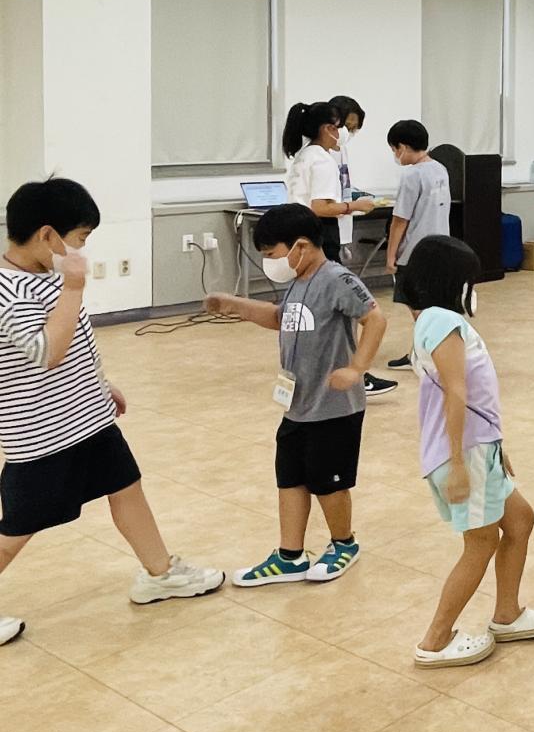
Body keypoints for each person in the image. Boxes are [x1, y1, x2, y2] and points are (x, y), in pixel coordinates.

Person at [1, 179, 223, 646]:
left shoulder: (46, 276)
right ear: (47, 235)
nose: (83, 248)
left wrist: (100, 385)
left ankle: (160, 574)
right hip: (43, 435)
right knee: (18, 528)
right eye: (80, 238)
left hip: (87, 417)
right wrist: (74, 285)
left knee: (126, 487)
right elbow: (47, 352)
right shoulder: (8, 291)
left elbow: (76, 340)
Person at [205, 203, 387, 588]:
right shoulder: (298, 280)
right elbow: (279, 317)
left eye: (272, 254)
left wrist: (357, 368)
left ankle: (344, 544)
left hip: (334, 407)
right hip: (298, 406)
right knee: (290, 478)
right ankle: (290, 555)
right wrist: (235, 305)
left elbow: (375, 318)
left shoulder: (335, 278)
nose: (270, 263)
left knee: (329, 481)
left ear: (300, 247)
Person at [406, 235, 534, 667]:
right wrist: (459, 463)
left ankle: (507, 614)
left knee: (520, 520)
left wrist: (496, 445)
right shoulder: (440, 320)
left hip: (480, 449)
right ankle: (435, 641)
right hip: (465, 454)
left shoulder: (438, 320)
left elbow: (474, 395)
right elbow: (455, 393)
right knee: (480, 541)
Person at [282, 101, 393, 399]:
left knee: (315, 308)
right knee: (340, 310)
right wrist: (354, 206)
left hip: (303, 239)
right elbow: (321, 206)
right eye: (342, 127)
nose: (344, 134)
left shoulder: (305, 156)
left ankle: (321, 372)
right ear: (329, 128)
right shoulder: (321, 160)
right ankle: (354, 373)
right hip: (320, 238)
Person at [383, 120, 450, 373]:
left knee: (419, 310)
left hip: (414, 253)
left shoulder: (412, 175)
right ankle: (420, 353)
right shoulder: (440, 169)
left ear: (402, 147)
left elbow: (400, 220)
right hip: (440, 248)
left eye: (394, 150)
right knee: (432, 306)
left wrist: (391, 256)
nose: (395, 155)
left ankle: (426, 357)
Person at [327, 94, 366, 255]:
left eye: (353, 129)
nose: (348, 133)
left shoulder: (342, 149)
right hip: (325, 228)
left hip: (340, 229)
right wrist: (354, 206)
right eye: (347, 127)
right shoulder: (319, 154)